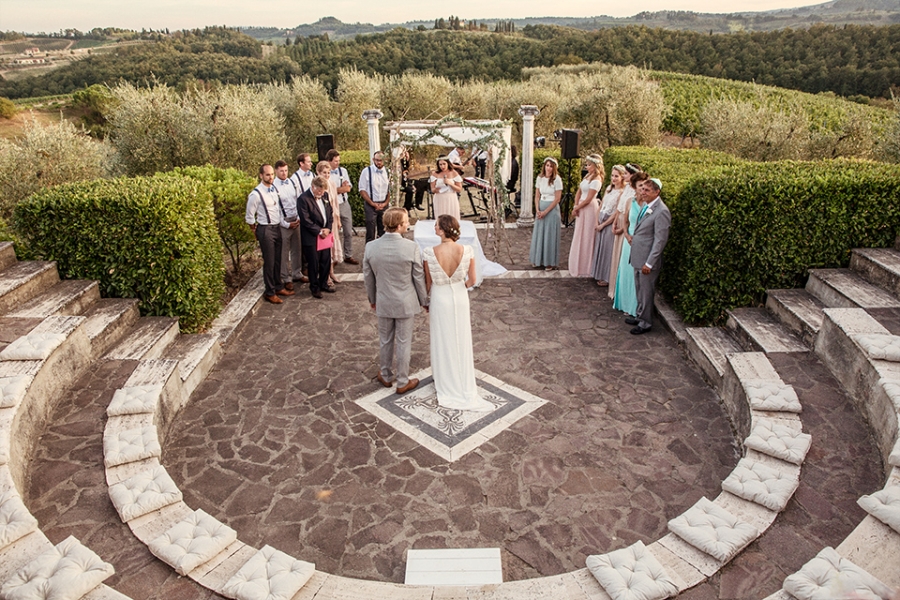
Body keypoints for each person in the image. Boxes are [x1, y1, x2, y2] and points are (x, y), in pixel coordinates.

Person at [423, 215, 494, 412]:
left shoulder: (429, 252)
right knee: (461, 338)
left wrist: (426, 301)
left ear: (442, 230)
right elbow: (472, 280)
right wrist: (459, 286)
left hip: (439, 297)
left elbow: (427, 283)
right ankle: (462, 375)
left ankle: (444, 377)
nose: (434, 227)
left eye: (436, 225)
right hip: (460, 296)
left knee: (442, 338)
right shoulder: (467, 250)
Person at [363, 207, 429, 394]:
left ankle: (385, 375)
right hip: (405, 302)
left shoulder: (371, 247)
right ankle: (402, 381)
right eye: (406, 221)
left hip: (383, 300)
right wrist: (424, 300)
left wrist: (372, 299)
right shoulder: (411, 247)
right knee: (403, 342)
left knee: (385, 340)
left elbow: (368, 278)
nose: (408, 224)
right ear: (399, 225)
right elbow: (418, 277)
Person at [627, 177, 670, 335]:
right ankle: (640, 316)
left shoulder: (662, 211)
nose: (643, 192)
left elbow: (660, 240)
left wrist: (650, 263)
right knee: (639, 289)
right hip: (638, 256)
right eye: (642, 189)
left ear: (656, 192)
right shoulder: (646, 206)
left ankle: (645, 323)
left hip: (647, 260)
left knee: (646, 292)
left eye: (647, 190)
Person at [245, 164, 293, 304]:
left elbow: (278, 210)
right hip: (265, 229)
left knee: (278, 259)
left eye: (272, 174)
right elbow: (249, 216)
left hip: (277, 227)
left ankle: (278, 286)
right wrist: (254, 230)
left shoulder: (274, 189)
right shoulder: (256, 194)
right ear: (261, 175)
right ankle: (270, 292)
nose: (271, 177)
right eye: (267, 174)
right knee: (270, 261)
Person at [613, 171, 647, 317]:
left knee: (636, 276)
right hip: (629, 241)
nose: (643, 189)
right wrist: (626, 235)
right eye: (640, 186)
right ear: (634, 187)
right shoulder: (629, 202)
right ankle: (624, 303)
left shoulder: (648, 204)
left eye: (645, 186)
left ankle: (635, 307)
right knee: (626, 272)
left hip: (642, 242)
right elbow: (625, 221)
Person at [297, 176, 334, 299]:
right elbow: (305, 220)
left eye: (323, 191)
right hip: (312, 236)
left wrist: (328, 228)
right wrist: (319, 231)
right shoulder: (303, 199)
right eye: (319, 191)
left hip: (325, 235)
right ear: (313, 187)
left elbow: (330, 213)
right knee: (313, 263)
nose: (322, 193)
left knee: (325, 261)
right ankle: (314, 287)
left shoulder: (325, 195)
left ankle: (324, 283)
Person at [567, 154, 604, 277]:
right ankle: (576, 264)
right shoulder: (587, 176)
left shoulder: (597, 179)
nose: (587, 167)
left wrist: (577, 207)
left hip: (589, 208)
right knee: (579, 233)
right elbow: (579, 191)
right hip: (581, 206)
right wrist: (575, 205)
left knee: (587, 236)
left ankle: (586, 266)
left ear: (595, 166)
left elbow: (589, 198)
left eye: (589, 165)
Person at [590, 164, 626, 286]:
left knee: (607, 250)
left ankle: (606, 277)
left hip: (608, 222)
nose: (613, 178)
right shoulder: (608, 189)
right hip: (601, 219)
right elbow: (601, 205)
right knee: (599, 247)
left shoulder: (621, 193)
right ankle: (597, 272)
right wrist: (596, 221)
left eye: (616, 176)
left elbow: (616, 212)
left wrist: (604, 224)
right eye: (612, 176)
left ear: (622, 177)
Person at [608, 164, 639, 300]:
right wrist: (615, 222)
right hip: (619, 219)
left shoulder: (635, 192)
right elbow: (620, 207)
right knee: (616, 255)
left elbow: (631, 214)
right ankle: (614, 289)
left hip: (625, 224)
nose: (624, 175)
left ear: (632, 175)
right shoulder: (626, 188)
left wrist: (622, 228)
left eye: (626, 173)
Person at [529, 157, 563, 270]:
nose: (548, 168)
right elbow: (537, 195)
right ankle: (538, 259)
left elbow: (557, 198)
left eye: (551, 166)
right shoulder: (540, 178)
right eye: (547, 165)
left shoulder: (557, 180)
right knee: (539, 234)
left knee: (549, 236)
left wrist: (546, 212)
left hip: (551, 210)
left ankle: (549, 261)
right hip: (541, 208)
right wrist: (537, 210)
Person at [326, 149, 359, 266]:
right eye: (335, 161)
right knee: (333, 232)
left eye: (338, 160)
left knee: (348, 231)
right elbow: (326, 191)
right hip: (331, 206)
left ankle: (348, 255)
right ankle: (334, 257)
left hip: (344, 204)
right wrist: (340, 189)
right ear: (329, 161)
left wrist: (336, 190)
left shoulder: (343, 171)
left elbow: (348, 188)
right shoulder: (325, 173)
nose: (338, 163)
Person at [274, 160, 302, 291]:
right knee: (284, 251)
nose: (284, 173)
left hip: (296, 219)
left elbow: (298, 200)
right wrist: (286, 224)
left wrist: (299, 217)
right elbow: (275, 209)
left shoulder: (292, 182)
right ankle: (286, 278)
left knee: (297, 248)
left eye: (286, 170)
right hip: (284, 221)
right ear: (276, 171)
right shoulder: (273, 186)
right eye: (281, 171)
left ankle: (297, 273)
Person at [317, 160, 344, 285]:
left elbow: (335, 203)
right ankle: (325, 275)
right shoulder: (317, 186)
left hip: (333, 219)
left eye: (328, 172)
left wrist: (338, 220)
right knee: (325, 248)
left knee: (333, 246)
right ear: (318, 173)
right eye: (324, 173)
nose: (327, 175)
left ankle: (332, 272)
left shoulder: (332, 184)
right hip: (323, 221)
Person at [359, 151, 390, 243]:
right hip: (370, 204)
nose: (379, 162)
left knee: (384, 230)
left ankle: (382, 248)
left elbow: (390, 190)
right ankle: (370, 249)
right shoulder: (366, 171)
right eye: (377, 160)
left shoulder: (388, 172)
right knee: (370, 230)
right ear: (373, 159)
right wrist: (372, 203)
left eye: (381, 160)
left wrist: (385, 203)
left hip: (384, 204)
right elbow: (362, 189)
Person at [430, 156, 463, 222]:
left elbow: (459, 189)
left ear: (448, 163)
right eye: (440, 164)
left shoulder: (454, 173)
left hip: (450, 197)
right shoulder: (435, 174)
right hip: (439, 198)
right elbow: (432, 189)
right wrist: (435, 190)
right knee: (441, 217)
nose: (442, 166)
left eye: (444, 164)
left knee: (451, 217)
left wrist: (450, 184)